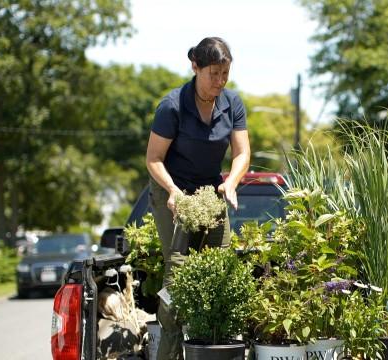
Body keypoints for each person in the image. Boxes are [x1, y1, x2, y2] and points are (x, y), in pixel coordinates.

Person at [145, 36, 250, 360]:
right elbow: (153, 159)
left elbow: (242, 152)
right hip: (173, 195)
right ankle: (168, 354)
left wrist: (231, 182)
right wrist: (175, 191)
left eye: (224, 74)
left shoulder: (232, 103)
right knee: (176, 279)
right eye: (213, 74)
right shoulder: (173, 105)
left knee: (220, 271)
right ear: (196, 67)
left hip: (210, 194)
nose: (219, 82)